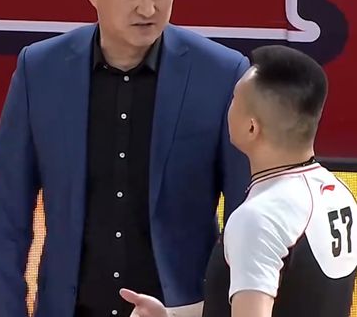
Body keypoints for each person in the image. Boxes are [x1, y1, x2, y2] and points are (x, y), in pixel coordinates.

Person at [0, 0, 251, 317]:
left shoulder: (222, 74)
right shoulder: (41, 71)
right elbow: (4, 217)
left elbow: (246, 217)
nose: (149, 8)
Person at [120, 45, 357, 317]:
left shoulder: (258, 217)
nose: (226, 106)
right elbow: (288, 296)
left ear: (251, 127)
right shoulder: (338, 193)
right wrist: (170, 315)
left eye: (233, 98)